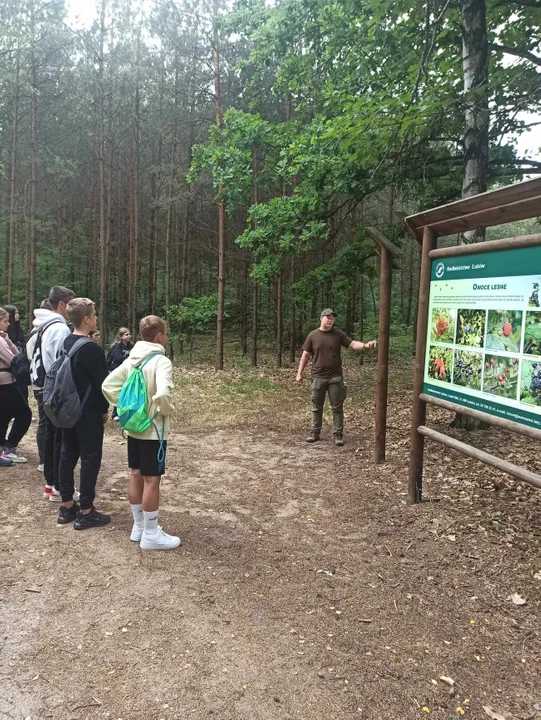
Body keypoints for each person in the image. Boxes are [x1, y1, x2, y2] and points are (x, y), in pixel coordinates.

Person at [102, 315, 180, 550]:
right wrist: (164, 411)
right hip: (153, 430)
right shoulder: (161, 361)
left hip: (134, 427)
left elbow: (108, 385)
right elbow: (164, 394)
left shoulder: (132, 359)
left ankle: (138, 526)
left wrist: (127, 406)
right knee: (152, 479)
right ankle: (152, 533)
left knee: (135, 473)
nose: (166, 338)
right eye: (165, 334)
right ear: (159, 336)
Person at [57, 298, 111, 529]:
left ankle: (68, 506)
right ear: (86, 319)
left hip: (66, 409)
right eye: (94, 315)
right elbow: (103, 385)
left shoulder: (65, 342)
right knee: (90, 458)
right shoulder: (91, 349)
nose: (96, 318)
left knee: (67, 455)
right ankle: (87, 510)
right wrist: (104, 411)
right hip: (87, 413)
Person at [296, 308, 377, 446]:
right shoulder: (313, 335)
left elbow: (352, 344)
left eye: (332, 318)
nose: (330, 319)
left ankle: (338, 435)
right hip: (318, 377)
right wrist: (299, 373)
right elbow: (305, 355)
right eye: (328, 317)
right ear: (321, 318)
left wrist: (365, 345)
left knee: (337, 407)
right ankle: (314, 433)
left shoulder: (338, 335)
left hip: (335, 377)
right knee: (316, 407)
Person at [30, 286, 75, 499]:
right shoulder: (59, 329)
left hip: (42, 387)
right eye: (71, 304)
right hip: (53, 389)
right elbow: (58, 364)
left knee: (50, 434)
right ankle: (57, 484)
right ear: (62, 305)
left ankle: (51, 482)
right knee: (58, 437)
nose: (72, 309)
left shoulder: (44, 326)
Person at [0, 307, 32, 464]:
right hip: (5, 383)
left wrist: (8, 341)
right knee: (24, 414)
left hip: (5, 382)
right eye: (5, 321)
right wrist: (9, 343)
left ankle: (2, 446)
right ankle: (10, 448)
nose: (8, 324)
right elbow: (15, 359)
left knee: (4, 415)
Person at [107, 327, 133, 420]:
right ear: (121, 337)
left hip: (128, 372)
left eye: (129, 334)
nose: (129, 336)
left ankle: (125, 412)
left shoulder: (132, 346)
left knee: (127, 391)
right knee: (120, 391)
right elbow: (118, 358)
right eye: (126, 334)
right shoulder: (116, 347)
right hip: (117, 371)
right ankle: (115, 413)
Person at [5, 305, 29, 400]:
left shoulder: (18, 329)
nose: (18, 315)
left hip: (21, 365)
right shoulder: (5, 332)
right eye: (15, 313)